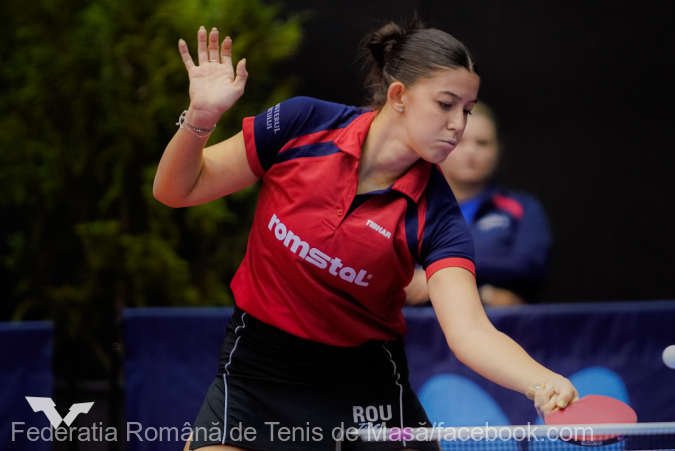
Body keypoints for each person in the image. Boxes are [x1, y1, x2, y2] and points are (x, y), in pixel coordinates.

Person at [153, 21, 577, 450]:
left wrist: (539, 381)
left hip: (363, 389)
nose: (458, 125)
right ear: (398, 97)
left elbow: (469, 332)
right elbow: (175, 190)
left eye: (466, 110)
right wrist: (201, 120)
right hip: (259, 372)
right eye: (446, 104)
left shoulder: (437, 215)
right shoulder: (303, 125)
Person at [405, 103, 552, 307]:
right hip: (413, 330)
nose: (471, 152)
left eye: (482, 143)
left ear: (498, 150)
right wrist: (488, 291)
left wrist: (434, 276)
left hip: (496, 327)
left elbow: (527, 265)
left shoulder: (523, 207)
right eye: (460, 142)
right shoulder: (407, 205)